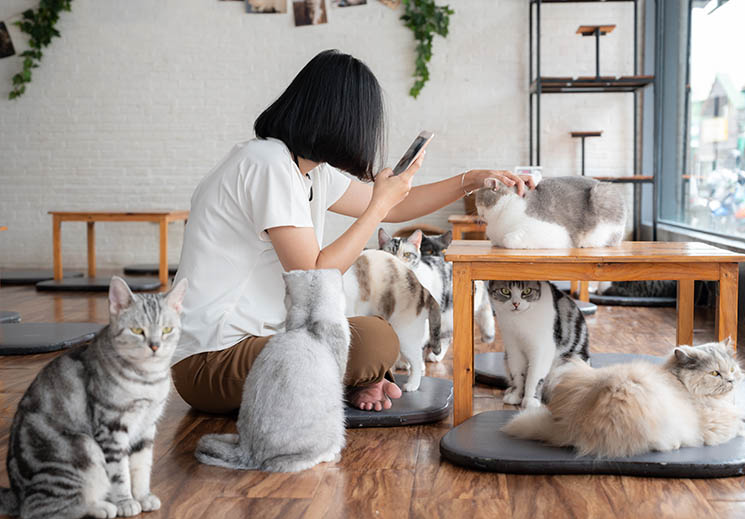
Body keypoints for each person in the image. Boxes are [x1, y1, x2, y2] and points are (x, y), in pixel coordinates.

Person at [170, 49, 532, 415]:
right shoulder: (267, 164)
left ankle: (351, 382)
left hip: (266, 343)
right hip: (209, 363)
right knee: (376, 342)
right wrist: (378, 206)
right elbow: (314, 273)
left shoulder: (308, 171)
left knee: (372, 337)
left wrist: (468, 181)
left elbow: (400, 206)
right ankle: (350, 381)